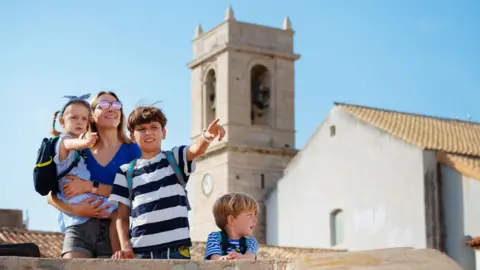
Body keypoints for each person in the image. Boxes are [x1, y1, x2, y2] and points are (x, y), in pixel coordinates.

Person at [109, 105, 226, 260]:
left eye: (154, 127)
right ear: (132, 135)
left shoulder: (175, 158)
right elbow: (122, 216)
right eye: (141, 129)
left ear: (163, 133)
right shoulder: (125, 171)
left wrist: (206, 137)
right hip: (141, 251)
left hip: (177, 250)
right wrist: (125, 246)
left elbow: (196, 149)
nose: (148, 132)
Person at [47, 91, 142, 259]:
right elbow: (50, 195)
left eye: (116, 105)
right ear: (92, 116)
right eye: (103, 105)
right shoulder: (78, 149)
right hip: (79, 228)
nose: (111, 109)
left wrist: (91, 187)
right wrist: (75, 208)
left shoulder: (132, 150)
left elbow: (135, 193)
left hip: (116, 231)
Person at [204, 192, 259, 260]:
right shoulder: (215, 238)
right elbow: (215, 259)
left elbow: (250, 257)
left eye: (254, 215)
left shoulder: (251, 242)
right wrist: (226, 259)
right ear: (231, 220)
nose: (255, 220)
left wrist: (239, 258)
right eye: (249, 215)